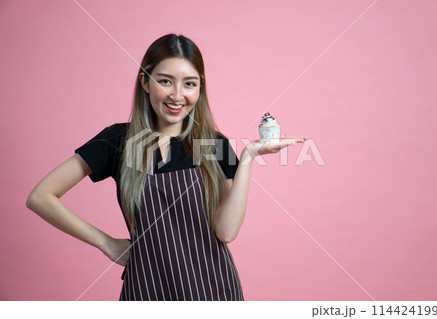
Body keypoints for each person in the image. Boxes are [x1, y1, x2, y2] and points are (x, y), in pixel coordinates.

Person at [26, 33, 307, 301]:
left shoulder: (212, 143)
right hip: (146, 289)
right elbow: (40, 197)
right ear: (145, 82)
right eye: (165, 81)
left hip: (214, 291)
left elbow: (226, 232)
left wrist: (247, 158)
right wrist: (106, 242)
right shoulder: (117, 141)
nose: (177, 95)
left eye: (189, 83)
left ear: (200, 87)